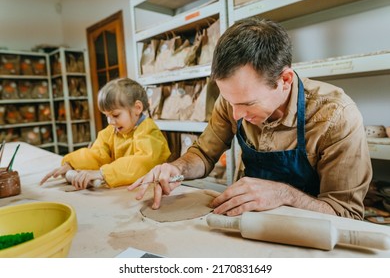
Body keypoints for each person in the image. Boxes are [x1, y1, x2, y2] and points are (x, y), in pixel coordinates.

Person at [127, 17, 372, 220]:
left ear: (284, 80)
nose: (235, 115)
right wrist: (175, 168)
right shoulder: (232, 101)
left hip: (310, 236)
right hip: (249, 222)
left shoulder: (336, 116)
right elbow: (203, 154)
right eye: (230, 102)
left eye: (247, 104)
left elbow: (345, 213)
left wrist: (284, 195)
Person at [40, 77, 171, 190]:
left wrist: (102, 173)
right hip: (123, 190)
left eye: (115, 115)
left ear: (137, 108)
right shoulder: (112, 131)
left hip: (149, 190)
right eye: (106, 116)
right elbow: (97, 154)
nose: (110, 121)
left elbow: (142, 163)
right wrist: (71, 163)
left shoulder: (148, 131)